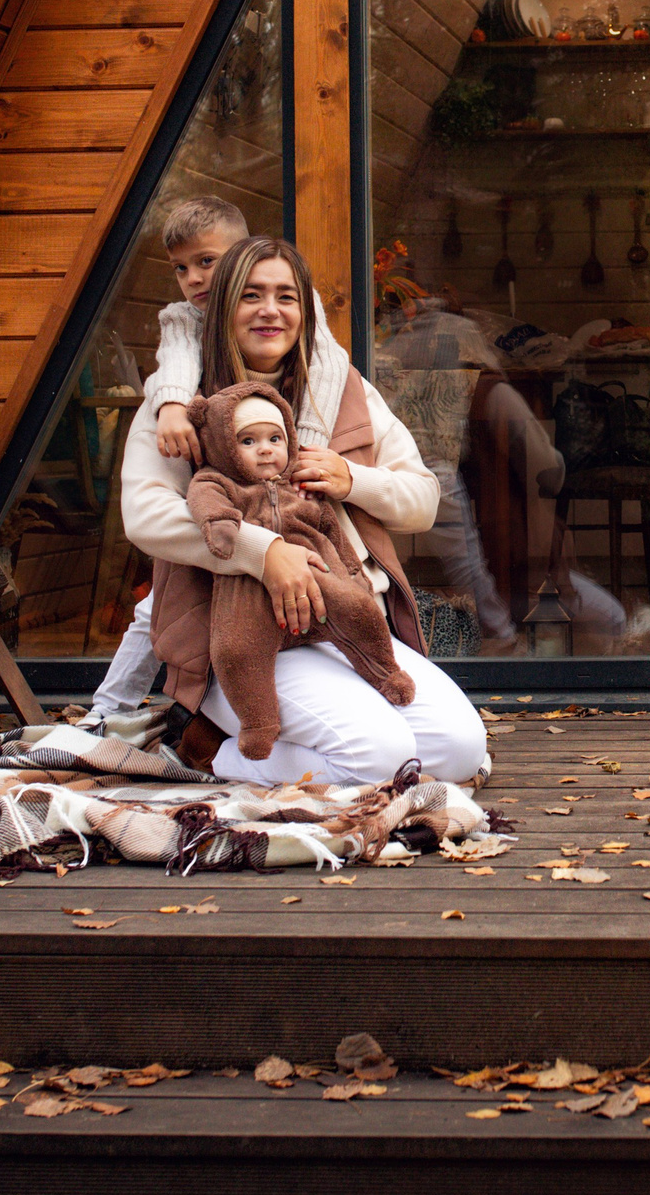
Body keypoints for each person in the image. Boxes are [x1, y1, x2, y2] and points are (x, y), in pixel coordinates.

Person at [118, 236, 489, 785]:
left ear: (304, 310)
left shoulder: (343, 392)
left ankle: (268, 752)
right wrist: (262, 551)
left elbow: (422, 501)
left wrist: (352, 479)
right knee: (383, 756)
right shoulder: (182, 402)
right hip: (237, 637)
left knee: (459, 750)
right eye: (251, 295)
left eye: (286, 296)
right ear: (223, 308)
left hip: (343, 619)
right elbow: (145, 515)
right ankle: (213, 750)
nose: (270, 310)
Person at [83, 197, 248, 725]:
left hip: (272, 470)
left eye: (207, 261)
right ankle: (108, 711)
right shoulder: (185, 319)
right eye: (181, 267)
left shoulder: (284, 305)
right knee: (161, 601)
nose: (194, 278)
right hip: (212, 480)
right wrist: (173, 403)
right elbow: (177, 357)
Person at [184, 380, 411, 762]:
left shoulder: (299, 485)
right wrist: (223, 527)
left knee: (359, 610)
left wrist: (352, 572)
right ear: (223, 447)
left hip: (318, 576)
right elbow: (204, 502)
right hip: (248, 591)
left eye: (275, 438)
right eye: (248, 441)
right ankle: (258, 725)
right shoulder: (216, 480)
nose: (265, 450)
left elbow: (330, 529)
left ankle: (385, 671)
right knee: (237, 649)